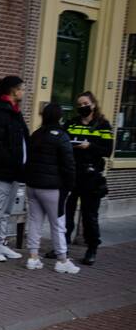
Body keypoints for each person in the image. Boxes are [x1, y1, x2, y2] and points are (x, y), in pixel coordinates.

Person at [58, 91, 113, 265]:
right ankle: (62, 246)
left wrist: (90, 146)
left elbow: (107, 150)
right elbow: (62, 142)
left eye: (85, 104)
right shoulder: (71, 124)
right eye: (79, 105)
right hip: (72, 174)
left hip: (91, 176)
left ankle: (91, 249)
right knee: (67, 213)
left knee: (90, 215)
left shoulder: (103, 125)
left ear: (93, 104)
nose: (82, 107)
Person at [24, 103, 79, 274]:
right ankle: (62, 259)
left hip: (33, 185)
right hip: (52, 188)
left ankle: (33, 257)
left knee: (34, 221)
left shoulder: (36, 134)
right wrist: (69, 186)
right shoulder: (62, 136)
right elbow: (69, 164)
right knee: (57, 224)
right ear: (59, 117)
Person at [0, 76, 28, 262]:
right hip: (1, 171)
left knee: (6, 211)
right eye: (22, 89)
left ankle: (1, 243)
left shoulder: (14, 112)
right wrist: (10, 162)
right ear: (13, 90)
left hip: (14, 171)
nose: (23, 92)